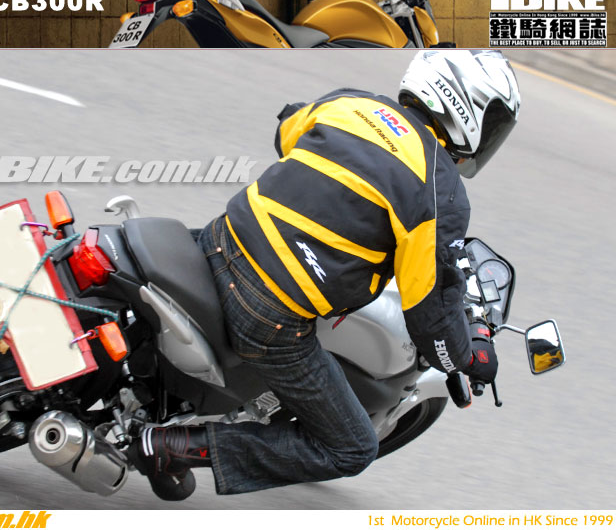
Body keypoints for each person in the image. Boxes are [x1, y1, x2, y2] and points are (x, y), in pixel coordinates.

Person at [130, 50, 522, 500]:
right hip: (267, 311)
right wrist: (469, 357)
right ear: (466, 107)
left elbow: (287, 133)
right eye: (493, 120)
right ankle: (169, 448)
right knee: (352, 448)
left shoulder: (352, 104)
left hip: (221, 241)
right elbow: (430, 315)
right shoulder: (439, 189)